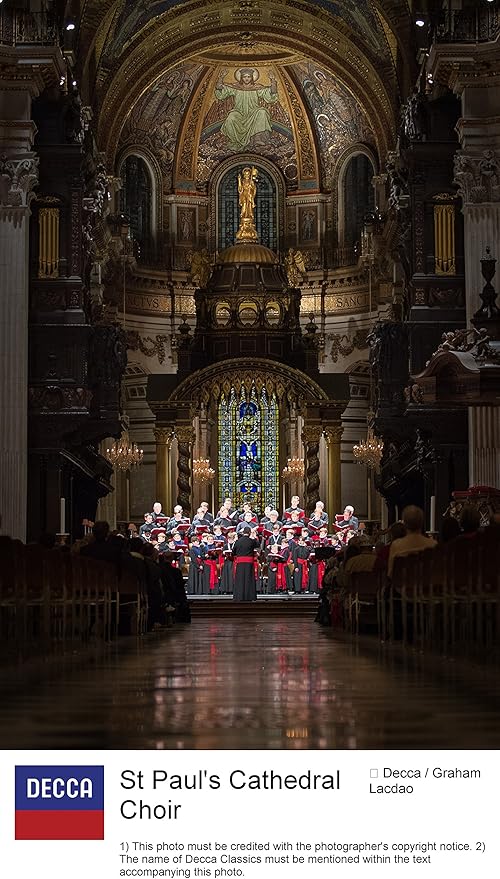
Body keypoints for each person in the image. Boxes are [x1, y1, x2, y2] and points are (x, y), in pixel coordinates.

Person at [215, 68, 278, 151]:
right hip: (239, 113)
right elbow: (221, 91)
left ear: (252, 78)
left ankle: (258, 141)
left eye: (249, 77)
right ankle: (235, 141)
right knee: (231, 117)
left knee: (262, 112)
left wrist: (272, 80)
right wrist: (221, 77)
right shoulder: (236, 87)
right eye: (244, 77)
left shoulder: (256, 88)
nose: (247, 79)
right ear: (241, 78)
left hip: (253, 113)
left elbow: (271, 94)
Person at [388, 505, 437, 578]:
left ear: (405, 523)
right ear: (421, 522)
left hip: (403, 586)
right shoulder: (433, 544)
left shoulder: (397, 545)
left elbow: (391, 573)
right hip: (426, 586)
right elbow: (436, 571)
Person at [232, 525, 259, 601]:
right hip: (249, 564)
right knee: (249, 579)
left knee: (240, 580)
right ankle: (249, 596)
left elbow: (233, 552)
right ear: (249, 533)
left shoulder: (238, 541)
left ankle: (239, 596)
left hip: (240, 563)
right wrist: (254, 536)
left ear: (243, 533)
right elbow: (258, 544)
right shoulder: (251, 541)